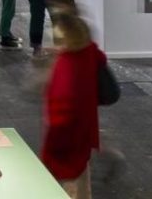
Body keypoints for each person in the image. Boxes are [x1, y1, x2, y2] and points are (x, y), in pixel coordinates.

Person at [42, 10, 107, 198]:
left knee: (68, 181)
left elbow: (61, 109)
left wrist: (52, 147)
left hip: (66, 137)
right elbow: (100, 58)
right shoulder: (89, 52)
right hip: (84, 129)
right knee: (82, 175)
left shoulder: (66, 64)